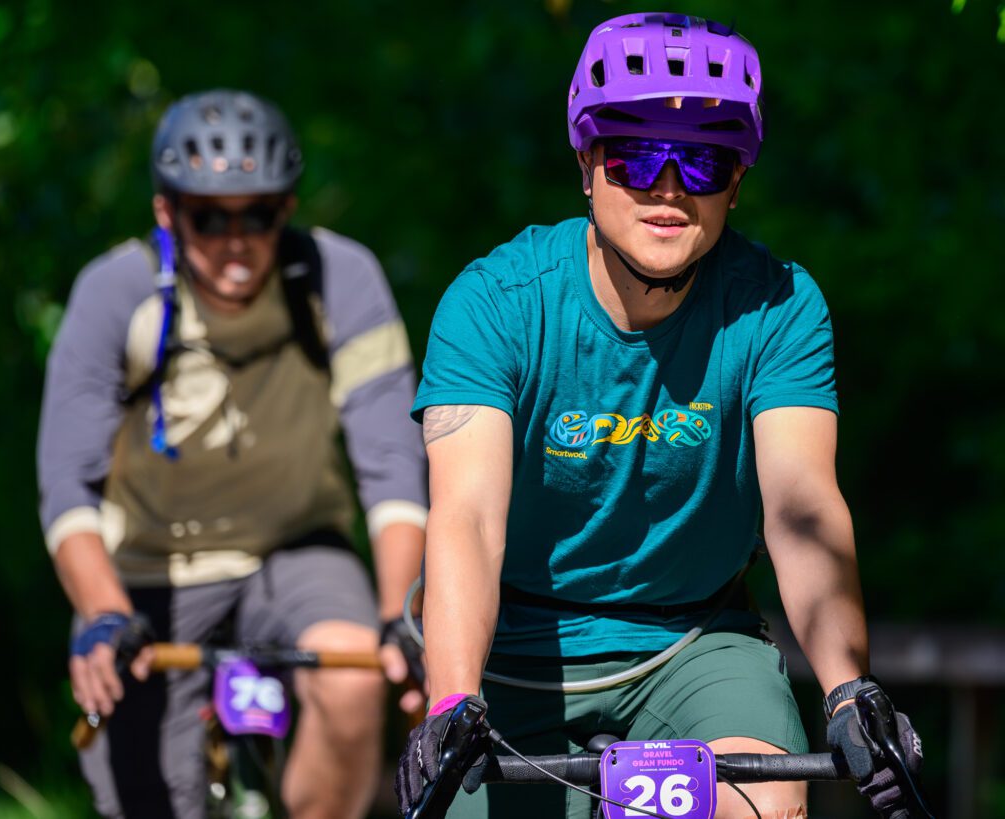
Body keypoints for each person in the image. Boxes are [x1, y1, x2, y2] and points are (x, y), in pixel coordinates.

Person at [396, 12, 924, 819]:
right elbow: (465, 518)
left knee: (766, 802)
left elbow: (803, 507)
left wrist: (849, 687)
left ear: (737, 182)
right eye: (637, 154)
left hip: (694, 639)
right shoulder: (493, 303)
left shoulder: (778, 306)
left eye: (704, 160)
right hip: (508, 652)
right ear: (587, 162)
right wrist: (452, 698)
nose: (670, 186)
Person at [37, 89, 427, 819]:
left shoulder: (340, 278)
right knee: (149, 795)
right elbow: (67, 484)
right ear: (166, 213)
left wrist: (397, 619)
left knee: (352, 682)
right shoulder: (114, 293)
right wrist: (102, 615)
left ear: (288, 208)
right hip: (149, 567)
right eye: (209, 217)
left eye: (261, 214)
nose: (236, 240)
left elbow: (392, 467)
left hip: (296, 548)